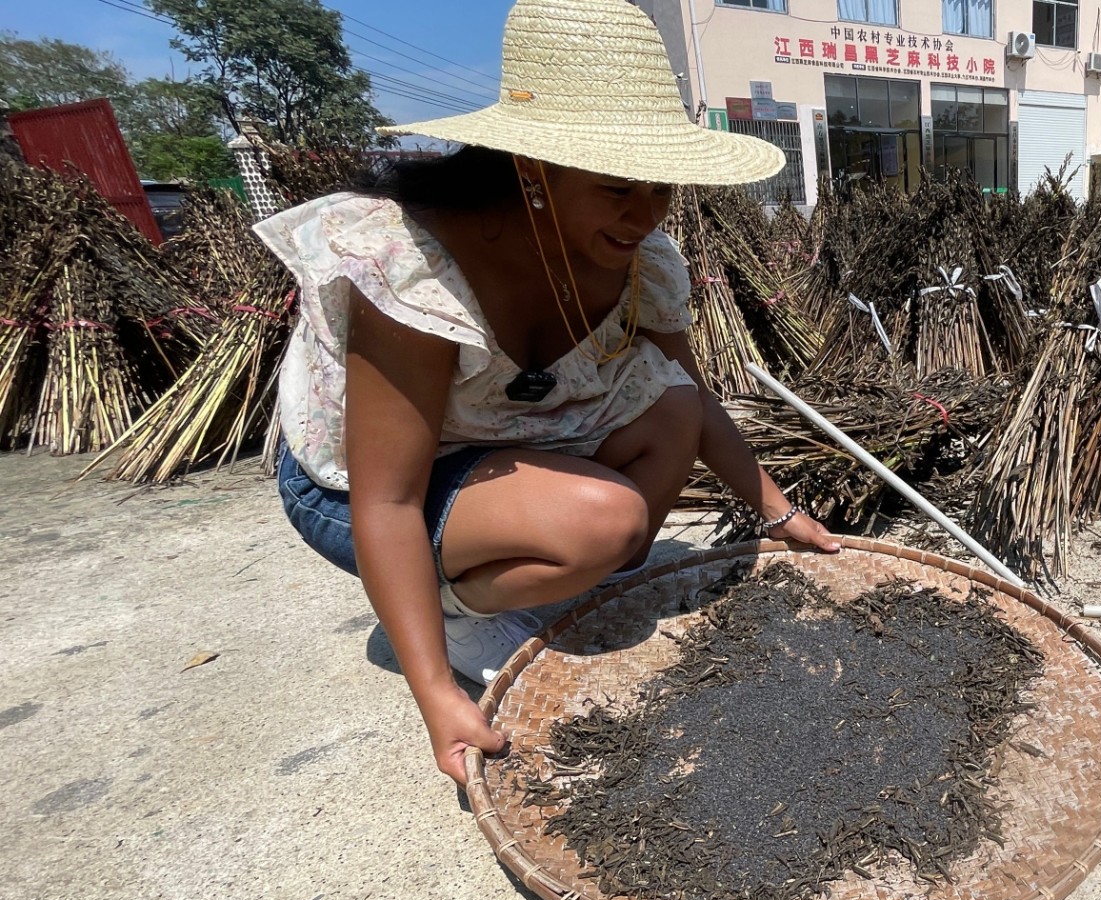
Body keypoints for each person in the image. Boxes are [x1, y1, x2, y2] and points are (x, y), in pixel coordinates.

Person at [255, 0, 838, 786]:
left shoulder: (643, 261)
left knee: (671, 406)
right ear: (533, 167)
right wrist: (434, 695)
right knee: (605, 521)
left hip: (506, 455)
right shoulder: (415, 265)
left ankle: (560, 566)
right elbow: (387, 501)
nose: (644, 214)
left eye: (661, 187)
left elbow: (696, 401)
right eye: (615, 187)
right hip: (355, 494)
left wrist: (781, 511)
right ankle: (459, 619)